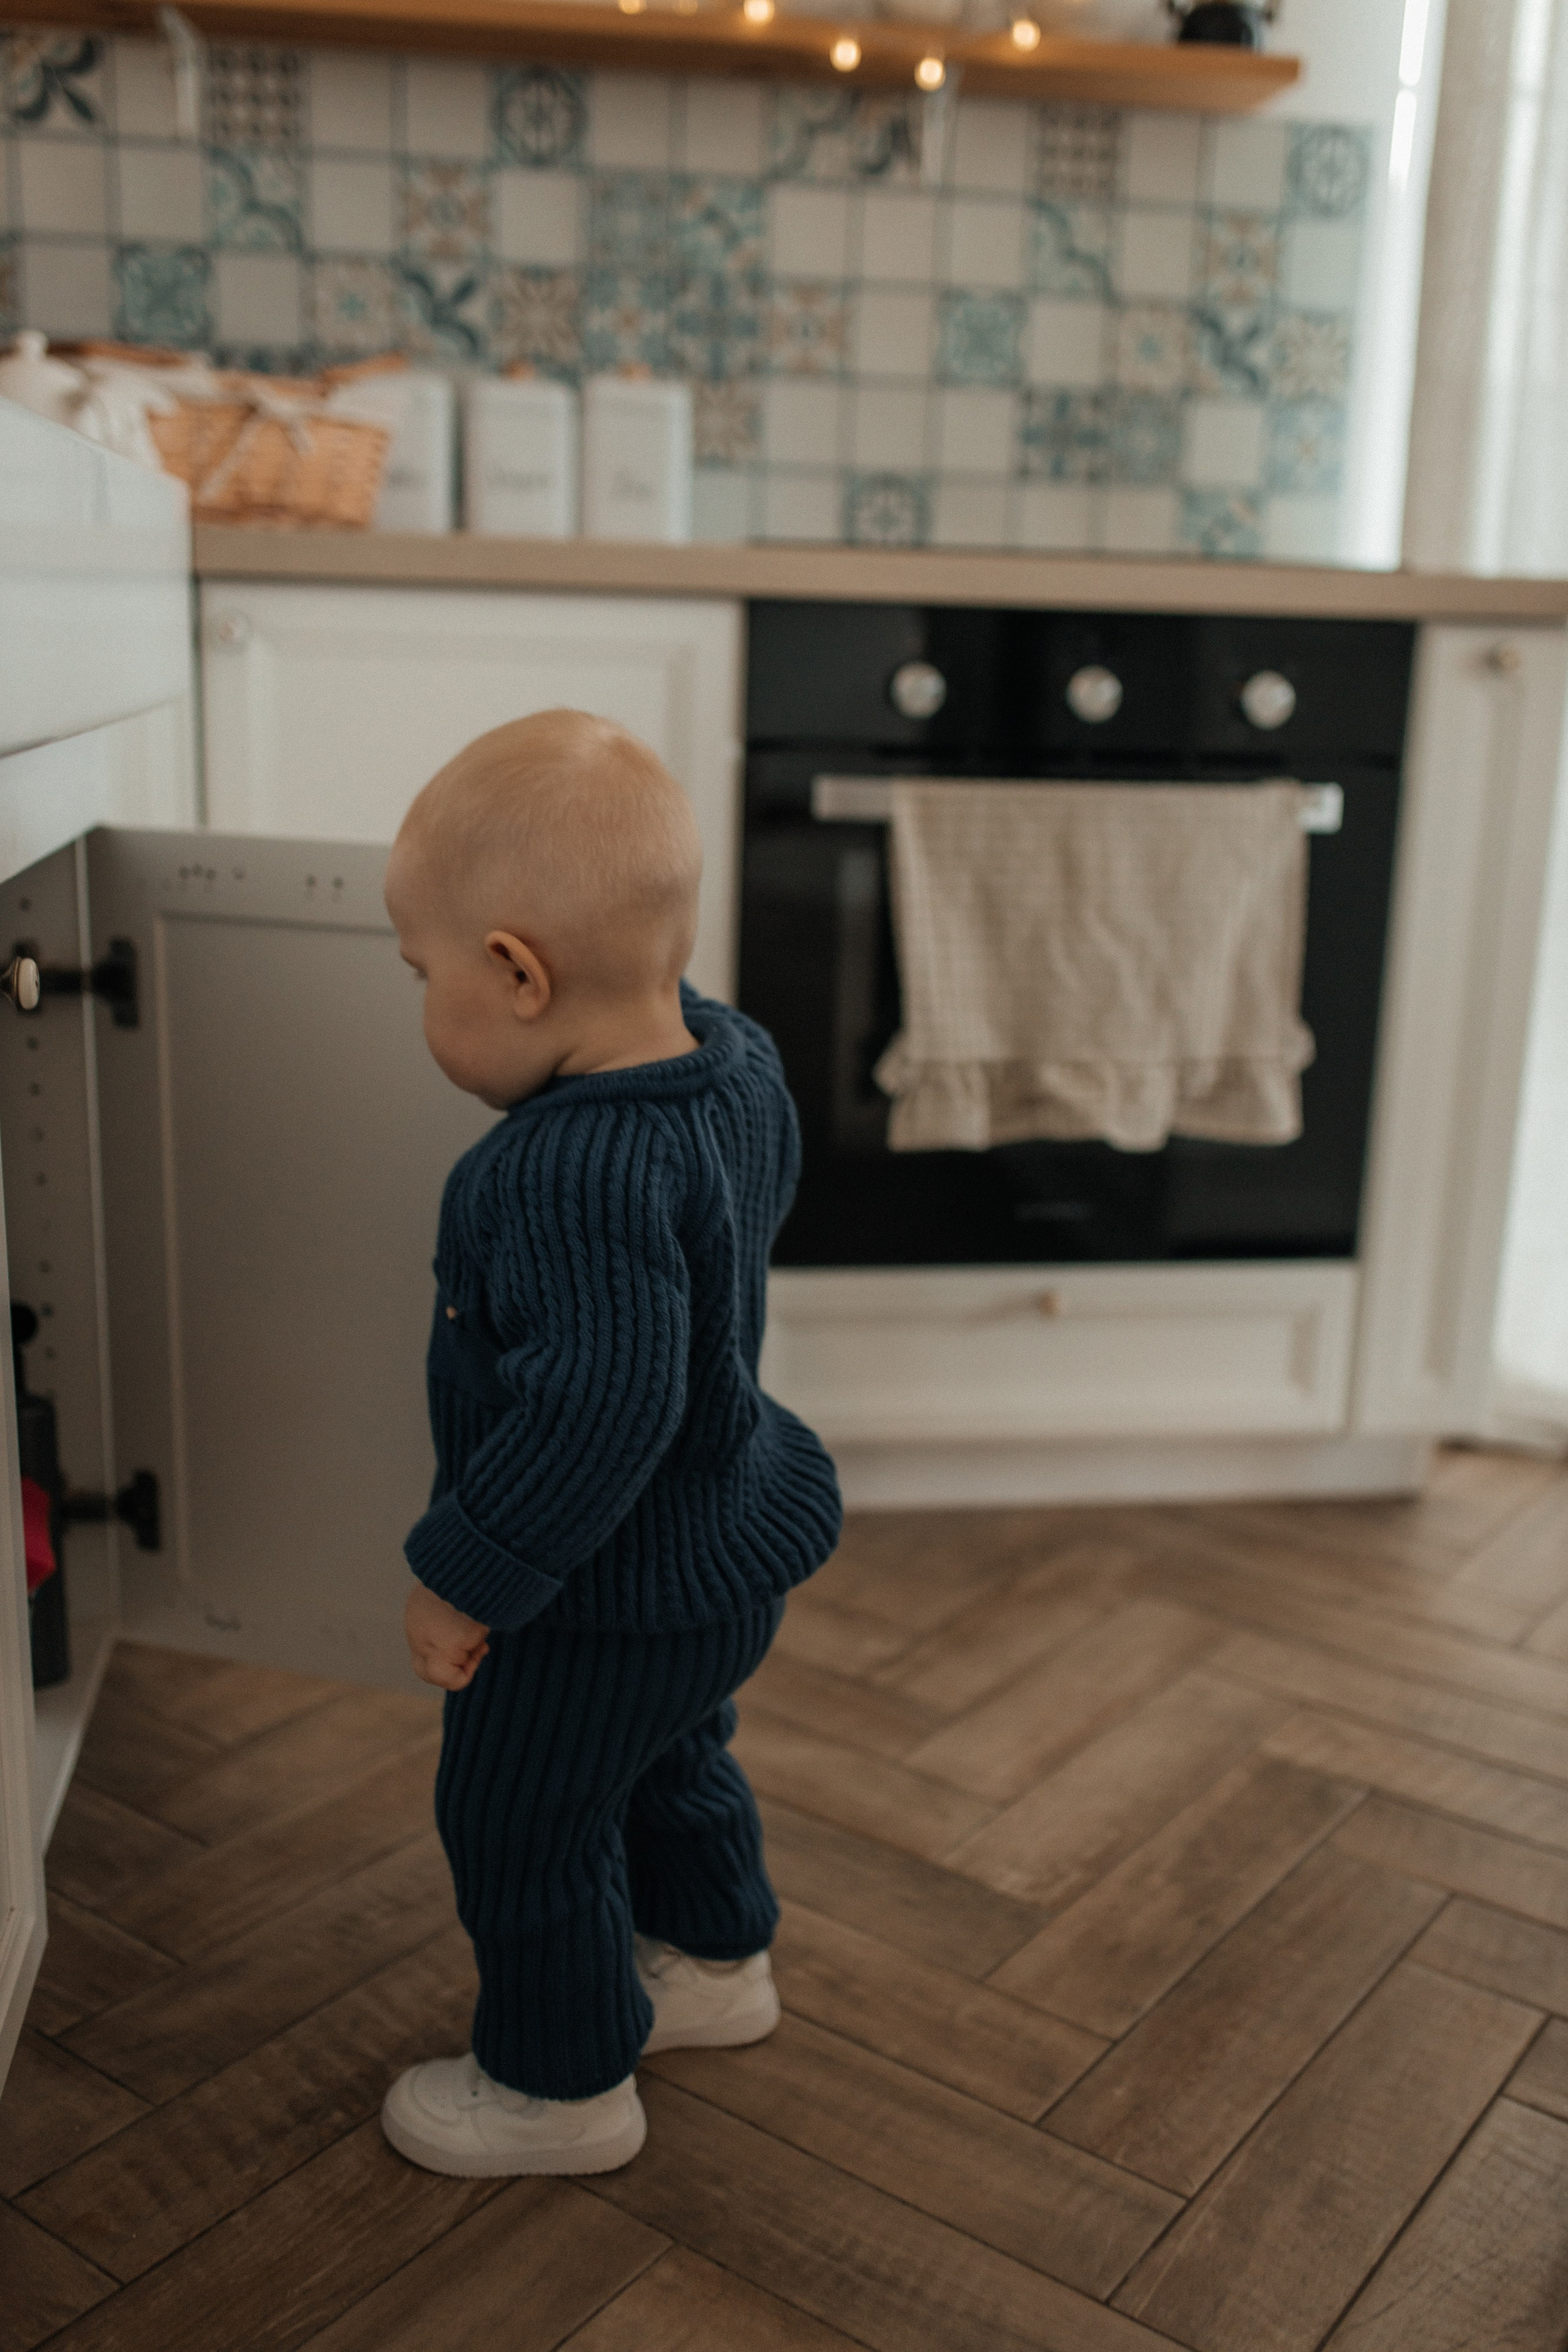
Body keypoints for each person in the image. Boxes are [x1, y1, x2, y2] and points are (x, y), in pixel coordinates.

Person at [379, 707, 842, 2177]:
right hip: (721, 1559)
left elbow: (597, 1411)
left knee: (518, 1812)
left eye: (421, 974)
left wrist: (467, 1577)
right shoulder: (732, 1059)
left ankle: (556, 2087)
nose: (420, 1000)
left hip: (597, 1596)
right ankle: (711, 1968)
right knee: (666, 1761)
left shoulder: (568, 1170)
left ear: (516, 972)